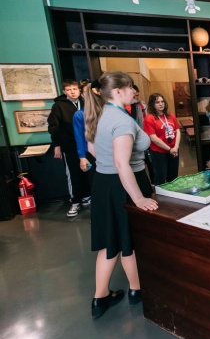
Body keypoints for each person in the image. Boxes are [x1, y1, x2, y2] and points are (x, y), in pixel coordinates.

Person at [84, 71, 158, 318]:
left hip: (103, 183)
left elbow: (92, 148)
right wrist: (138, 198)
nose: (134, 92)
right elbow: (121, 163)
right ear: (118, 91)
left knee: (111, 241)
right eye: (130, 88)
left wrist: (107, 164)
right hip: (125, 184)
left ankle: (100, 297)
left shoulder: (99, 113)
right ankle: (137, 290)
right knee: (129, 240)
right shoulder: (121, 120)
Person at [47, 78, 91, 218]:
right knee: (73, 173)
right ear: (64, 91)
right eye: (69, 90)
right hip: (69, 146)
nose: (72, 92)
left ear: (79, 90)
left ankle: (86, 196)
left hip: (86, 145)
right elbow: (54, 127)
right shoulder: (59, 106)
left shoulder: (85, 102)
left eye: (74, 89)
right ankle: (75, 201)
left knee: (87, 170)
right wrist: (57, 145)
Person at [143, 93, 180, 185]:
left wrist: (176, 147)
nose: (161, 104)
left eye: (162, 101)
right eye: (157, 102)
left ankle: (173, 193)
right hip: (159, 152)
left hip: (174, 150)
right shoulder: (149, 118)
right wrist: (169, 149)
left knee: (173, 177)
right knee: (160, 177)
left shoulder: (170, 115)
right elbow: (153, 138)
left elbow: (178, 131)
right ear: (152, 104)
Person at [72, 83, 96, 210]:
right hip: (90, 154)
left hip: (108, 152)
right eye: (87, 91)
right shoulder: (79, 115)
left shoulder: (105, 111)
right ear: (82, 95)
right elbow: (79, 137)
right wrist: (82, 157)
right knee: (95, 183)